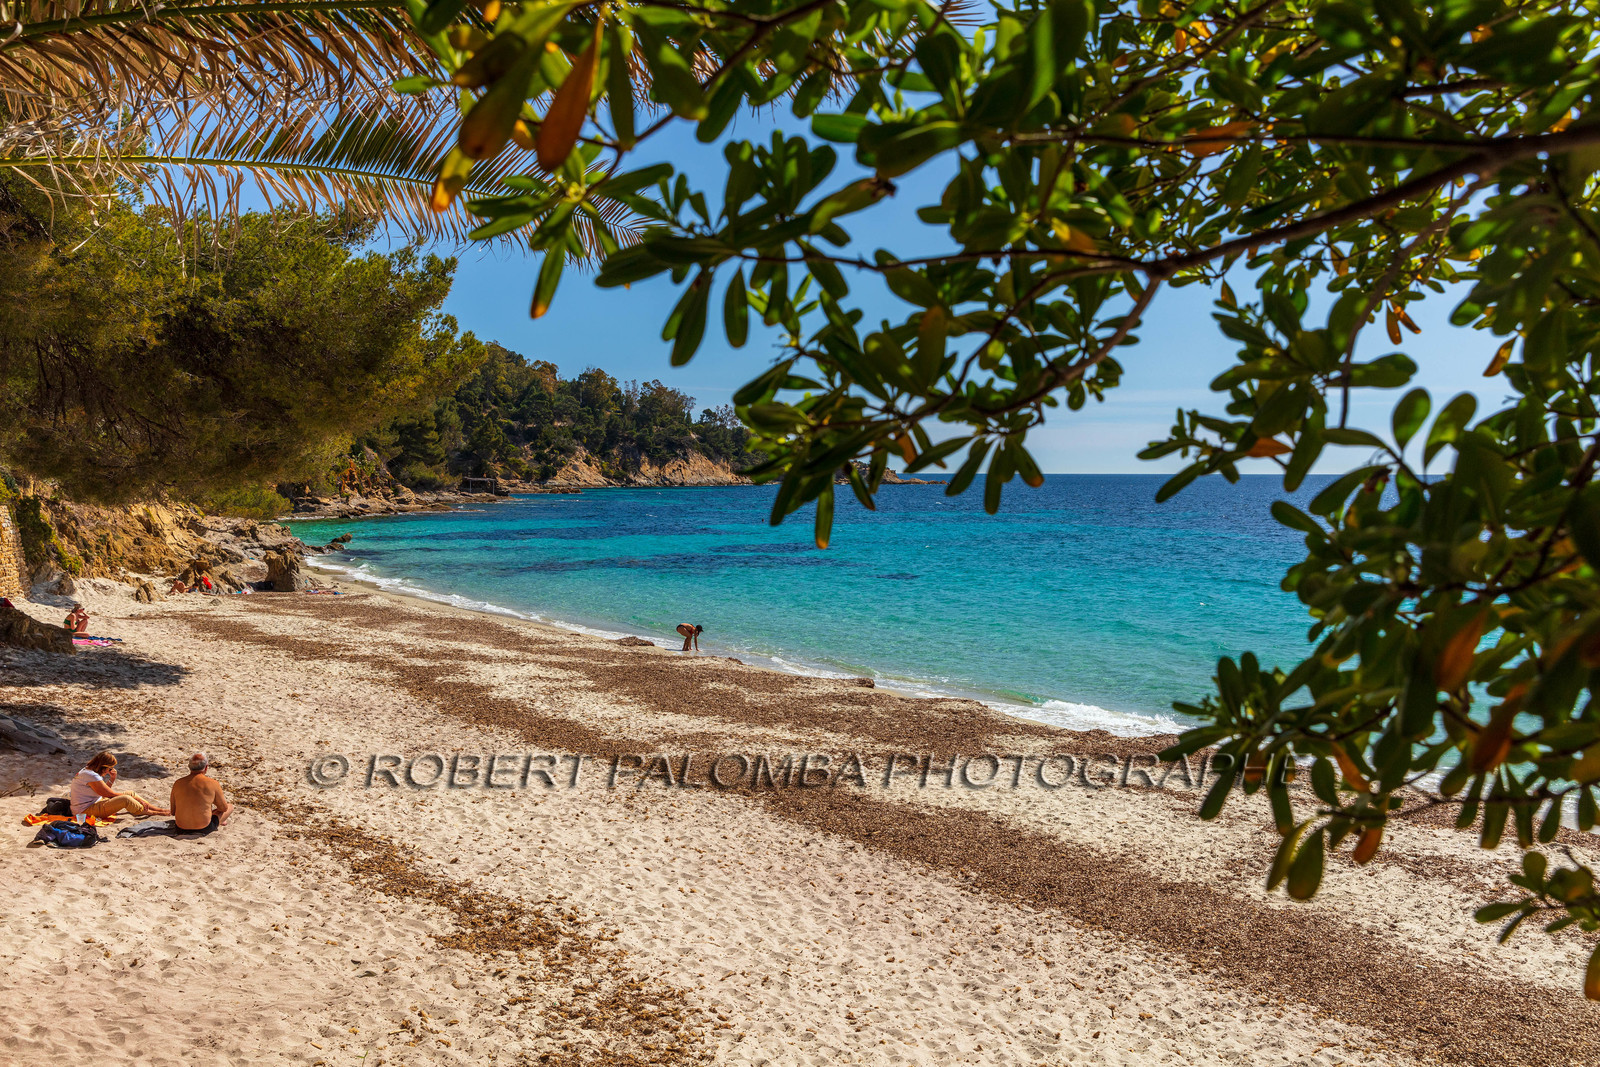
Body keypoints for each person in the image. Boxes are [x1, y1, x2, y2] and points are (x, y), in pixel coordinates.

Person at [71, 751, 170, 819]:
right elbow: (109, 794)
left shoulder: (88, 770)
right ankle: (153, 812)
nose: (110, 771)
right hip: (84, 811)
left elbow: (103, 792)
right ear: (103, 766)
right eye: (110, 769)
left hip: (93, 803)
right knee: (126, 799)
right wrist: (138, 800)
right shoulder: (91, 776)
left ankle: (159, 809)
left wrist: (112, 779)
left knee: (130, 793)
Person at [170, 752, 232, 834]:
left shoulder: (178, 783)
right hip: (204, 828)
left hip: (181, 828)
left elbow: (173, 812)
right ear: (206, 767)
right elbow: (223, 808)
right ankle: (220, 821)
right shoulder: (212, 783)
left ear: (189, 767)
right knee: (230, 806)